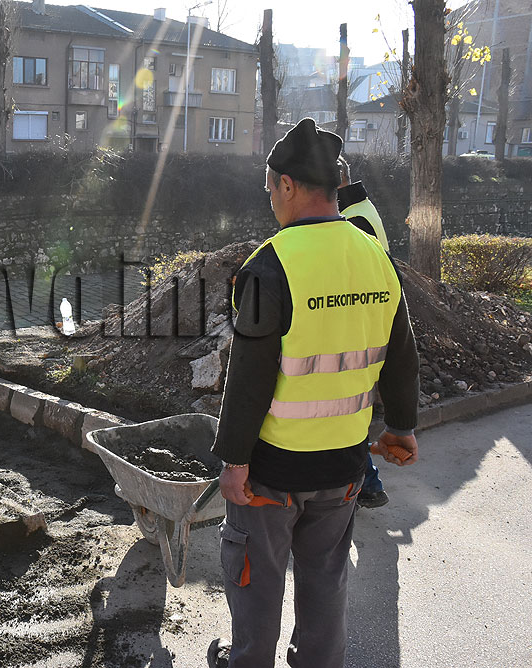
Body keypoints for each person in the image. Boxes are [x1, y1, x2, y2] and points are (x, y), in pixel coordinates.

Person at [206, 118, 420, 668]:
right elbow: (401, 353)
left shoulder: (268, 266)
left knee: (256, 582)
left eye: (269, 189)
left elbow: (250, 376)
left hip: (272, 473)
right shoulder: (375, 255)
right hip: (344, 467)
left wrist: (234, 461)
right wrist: (401, 428)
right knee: (325, 582)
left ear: (287, 185)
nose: (270, 200)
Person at [337, 156, 393, 509]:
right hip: (367, 325)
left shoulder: (354, 219)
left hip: (359, 329)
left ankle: (368, 485)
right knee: (349, 411)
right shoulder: (360, 209)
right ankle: (368, 485)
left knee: (346, 412)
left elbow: (355, 281)